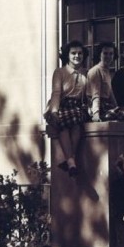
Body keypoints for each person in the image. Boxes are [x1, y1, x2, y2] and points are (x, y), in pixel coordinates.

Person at [43, 40, 89, 178]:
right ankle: (71, 162)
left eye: (80, 53)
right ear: (67, 55)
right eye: (73, 53)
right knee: (63, 124)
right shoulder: (60, 72)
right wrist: (54, 111)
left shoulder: (86, 73)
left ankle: (69, 160)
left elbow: (89, 94)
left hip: (77, 107)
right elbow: (56, 93)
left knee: (76, 124)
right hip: (61, 105)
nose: (77, 56)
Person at [87, 42, 119, 122]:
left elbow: (110, 92)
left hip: (107, 106)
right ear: (99, 54)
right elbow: (95, 95)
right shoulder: (95, 71)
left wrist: (116, 108)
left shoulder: (106, 71)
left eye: (111, 54)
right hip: (98, 108)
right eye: (105, 53)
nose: (108, 56)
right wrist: (96, 114)